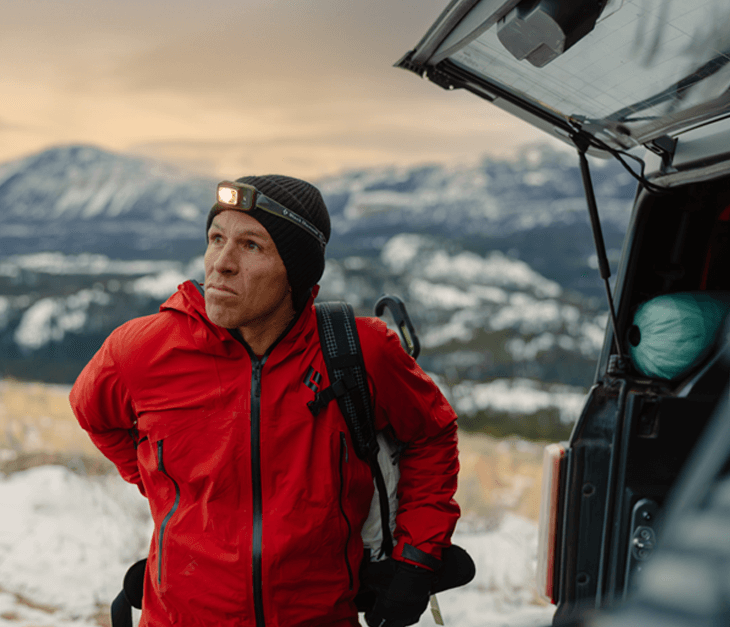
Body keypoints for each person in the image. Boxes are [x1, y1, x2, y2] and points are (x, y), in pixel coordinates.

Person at [69, 174, 461, 627]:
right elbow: (93, 414)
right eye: (217, 239)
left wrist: (415, 561)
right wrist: (170, 493)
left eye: (251, 245)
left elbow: (433, 435)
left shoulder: (359, 352)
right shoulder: (141, 351)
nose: (221, 263)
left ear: (296, 272)